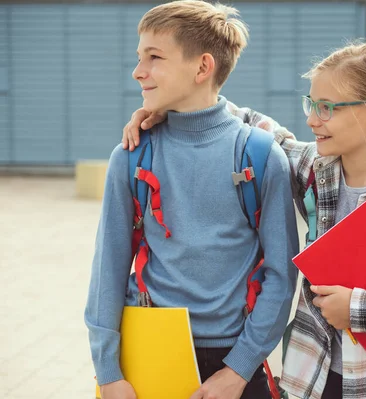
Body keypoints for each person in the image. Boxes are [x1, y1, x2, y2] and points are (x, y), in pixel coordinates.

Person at [123, 40, 366, 399]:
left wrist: (358, 309)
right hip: (318, 381)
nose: (312, 119)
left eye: (327, 108)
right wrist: (173, 108)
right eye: (311, 104)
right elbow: (258, 128)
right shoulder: (316, 171)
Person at [84, 2, 299, 399]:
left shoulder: (261, 155)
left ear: (202, 68)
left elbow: (281, 277)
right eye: (138, 57)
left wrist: (239, 369)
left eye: (154, 57)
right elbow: (108, 270)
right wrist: (109, 372)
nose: (138, 71)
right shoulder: (131, 155)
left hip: (236, 358)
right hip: (148, 352)